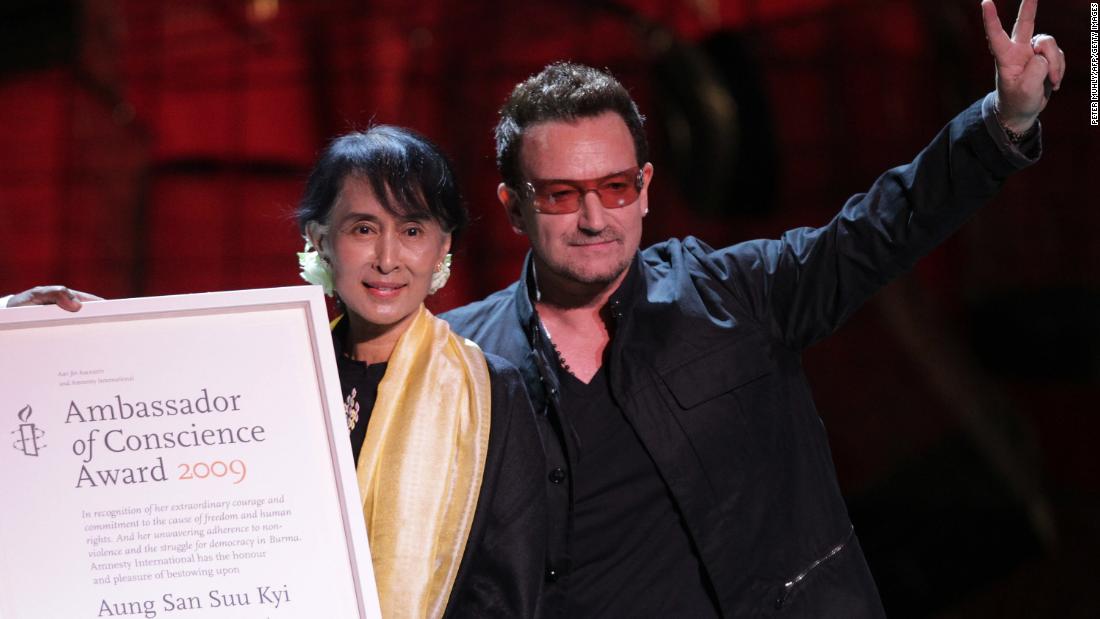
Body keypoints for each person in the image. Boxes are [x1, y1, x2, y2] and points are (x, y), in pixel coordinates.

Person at [440, 0, 1064, 616]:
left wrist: (1003, 122)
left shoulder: (731, 295)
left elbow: (881, 228)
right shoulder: (456, 363)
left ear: (646, 189)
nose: (596, 218)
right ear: (513, 207)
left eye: (616, 187)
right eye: (561, 195)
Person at [5, 126, 547, 619]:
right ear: (319, 240)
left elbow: (507, 593)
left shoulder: (488, 392)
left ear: (443, 244)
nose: (388, 258)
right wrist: (63, 336)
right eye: (363, 228)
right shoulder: (268, 374)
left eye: (412, 230)